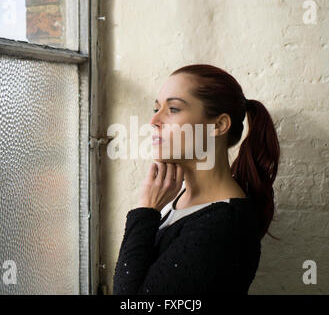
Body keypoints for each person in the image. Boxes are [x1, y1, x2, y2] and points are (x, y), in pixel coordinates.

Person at [112, 64, 280, 295]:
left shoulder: (223, 225)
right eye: (156, 108)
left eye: (173, 109)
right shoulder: (180, 198)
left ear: (218, 125)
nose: (154, 121)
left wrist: (146, 210)